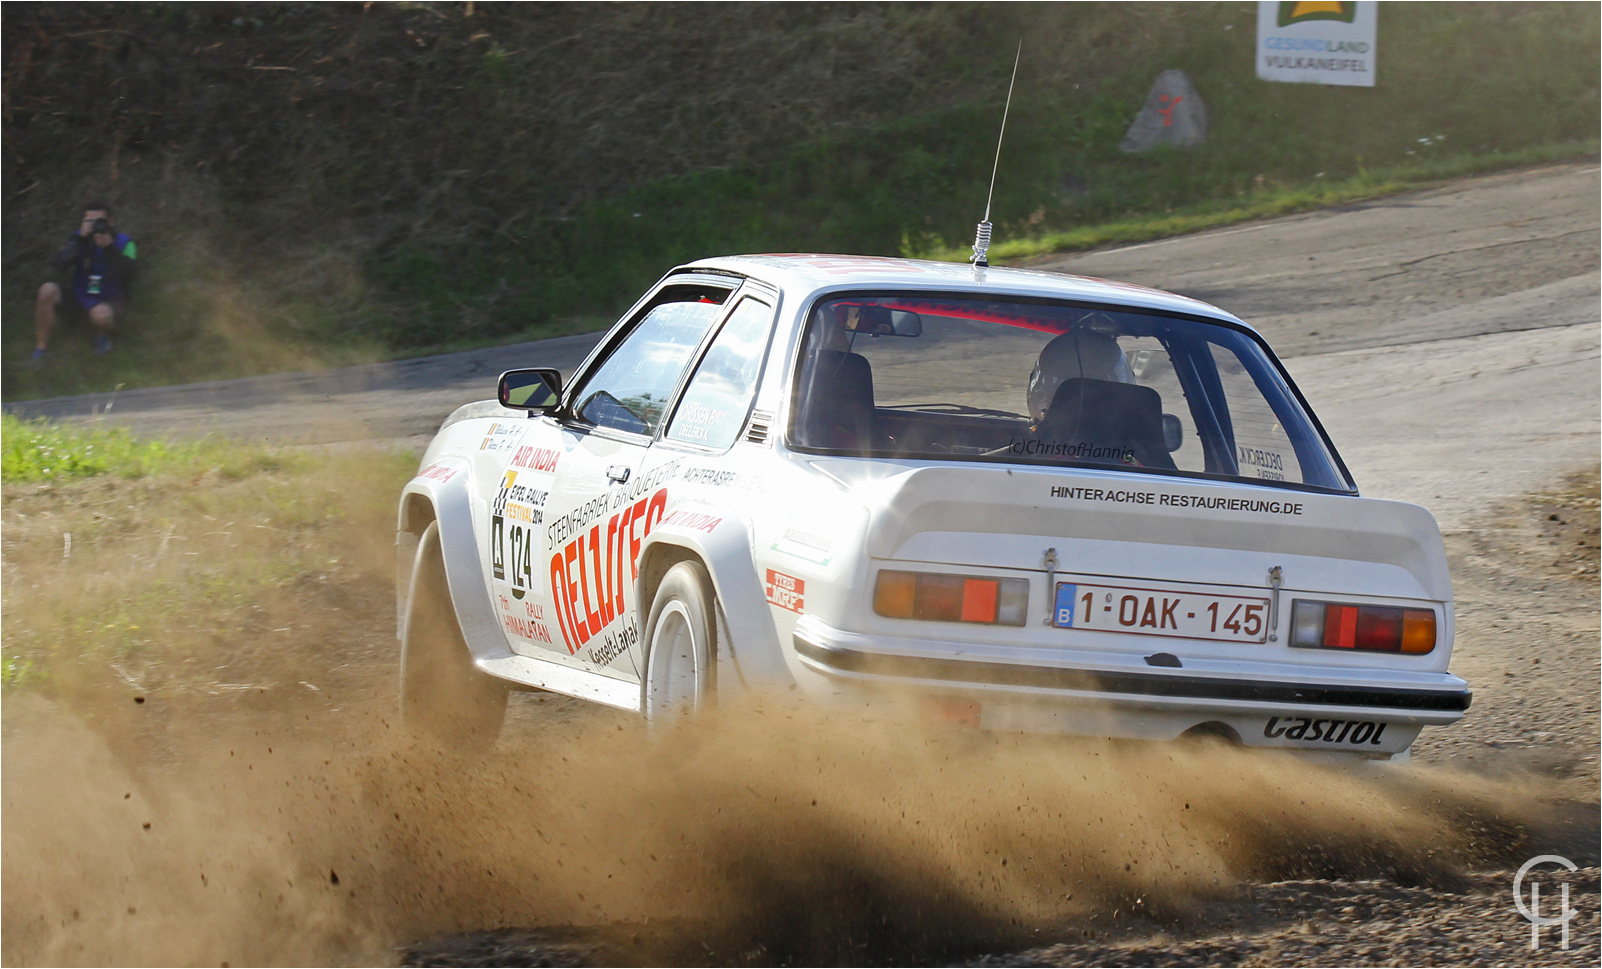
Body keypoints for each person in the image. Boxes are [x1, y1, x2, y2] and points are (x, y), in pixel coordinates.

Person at [32, 200, 138, 365]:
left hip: (110, 299)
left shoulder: (125, 243)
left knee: (101, 315)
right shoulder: (79, 239)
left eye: (99, 221)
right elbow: (59, 265)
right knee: (47, 290)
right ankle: (41, 349)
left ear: (110, 222)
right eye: (89, 221)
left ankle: (102, 335)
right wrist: (79, 241)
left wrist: (109, 247)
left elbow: (130, 275)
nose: (94, 226)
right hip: (81, 295)